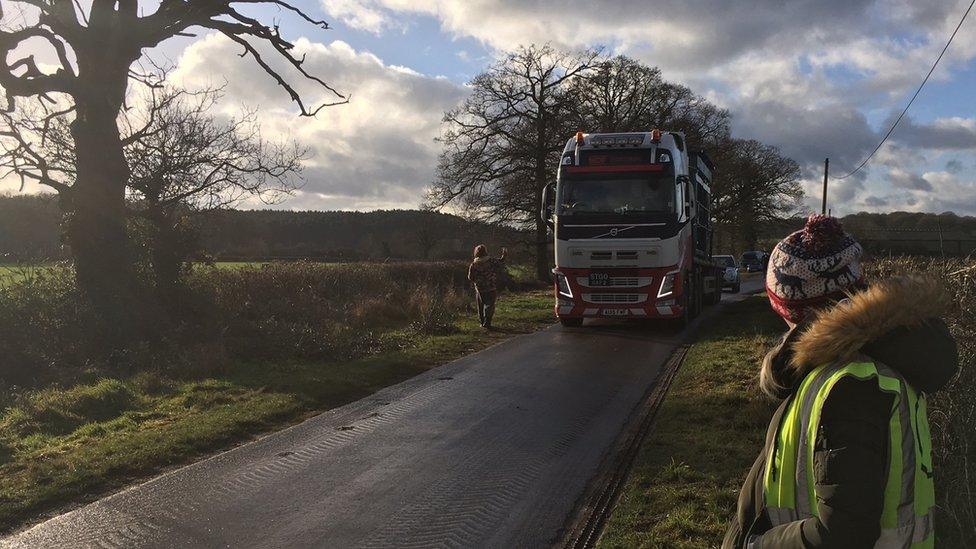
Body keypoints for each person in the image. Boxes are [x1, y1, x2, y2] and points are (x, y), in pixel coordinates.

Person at [724, 215, 958, 549]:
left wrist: (755, 544)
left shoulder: (850, 386)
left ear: (792, 310)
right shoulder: (859, 368)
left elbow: (844, 532)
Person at [467, 244, 506, 329]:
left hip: (480, 288)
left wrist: (477, 281)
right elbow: (501, 263)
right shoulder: (491, 261)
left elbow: (470, 277)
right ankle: (487, 322)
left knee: (480, 306)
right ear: (485, 252)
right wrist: (504, 255)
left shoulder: (473, 264)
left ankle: (482, 322)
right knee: (490, 304)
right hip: (491, 286)